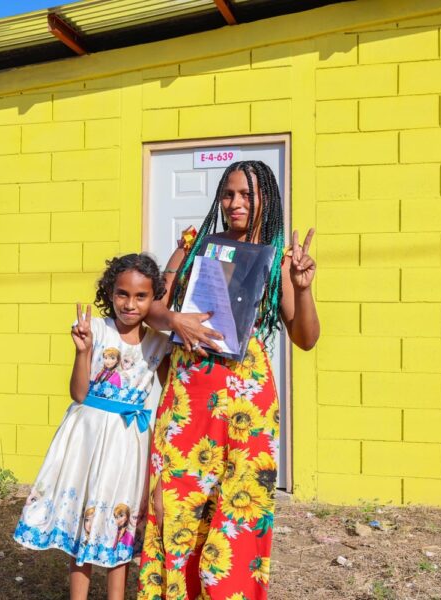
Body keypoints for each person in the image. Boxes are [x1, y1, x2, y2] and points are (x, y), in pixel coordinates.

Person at [138, 160, 320, 600]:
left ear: (266, 200)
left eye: (247, 195)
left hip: (246, 402)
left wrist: (302, 286)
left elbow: (306, 338)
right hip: (188, 398)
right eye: (228, 194)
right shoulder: (193, 246)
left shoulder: (277, 260)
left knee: (238, 510)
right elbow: (152, 309)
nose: (235, 203)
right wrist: (175, 320)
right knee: (176, 503)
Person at [13, 253, 173, 600]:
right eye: (122, 294)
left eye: (141, 296)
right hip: (87, 436)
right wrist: (82, 351)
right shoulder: (96, 329)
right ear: (109, 292)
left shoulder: (159, 344)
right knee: (83, 513)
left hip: (129, 442)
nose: (129, 304)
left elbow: (172, 393)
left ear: (154, 298)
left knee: (121, 518)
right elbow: (79, 393)